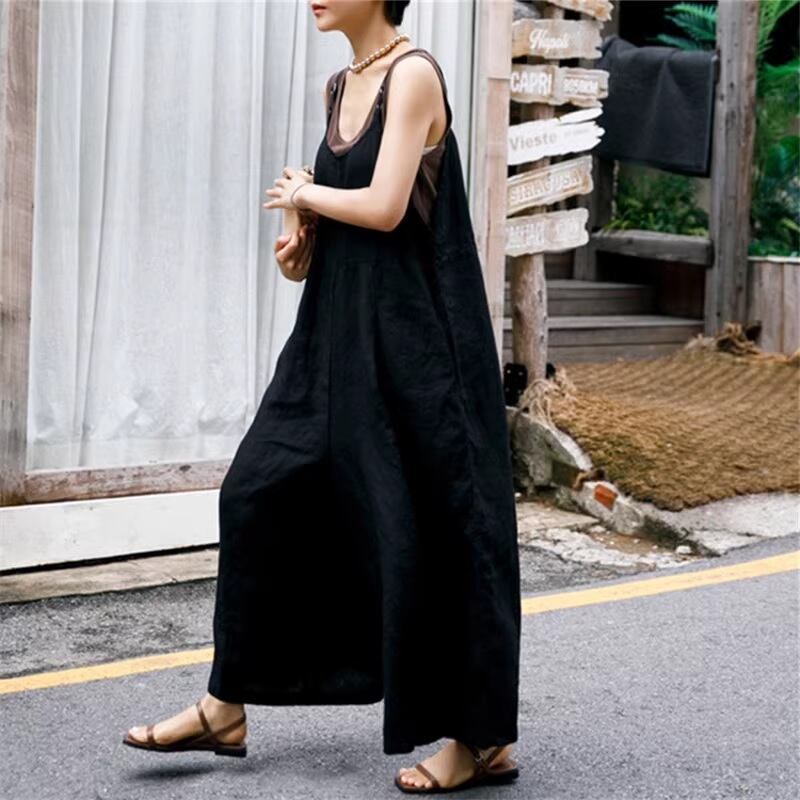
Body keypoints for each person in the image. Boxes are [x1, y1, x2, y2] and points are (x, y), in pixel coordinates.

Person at [123, 0, 521, 793]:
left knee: (442, 525)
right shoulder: (341, 86)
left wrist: (308, 194)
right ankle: (225, 705)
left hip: (418, 346)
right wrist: (299, 248)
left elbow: (385, 205)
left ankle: (482, 741)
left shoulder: (414, 75)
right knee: (255, 489)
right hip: (334, 338)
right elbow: (348, 224)